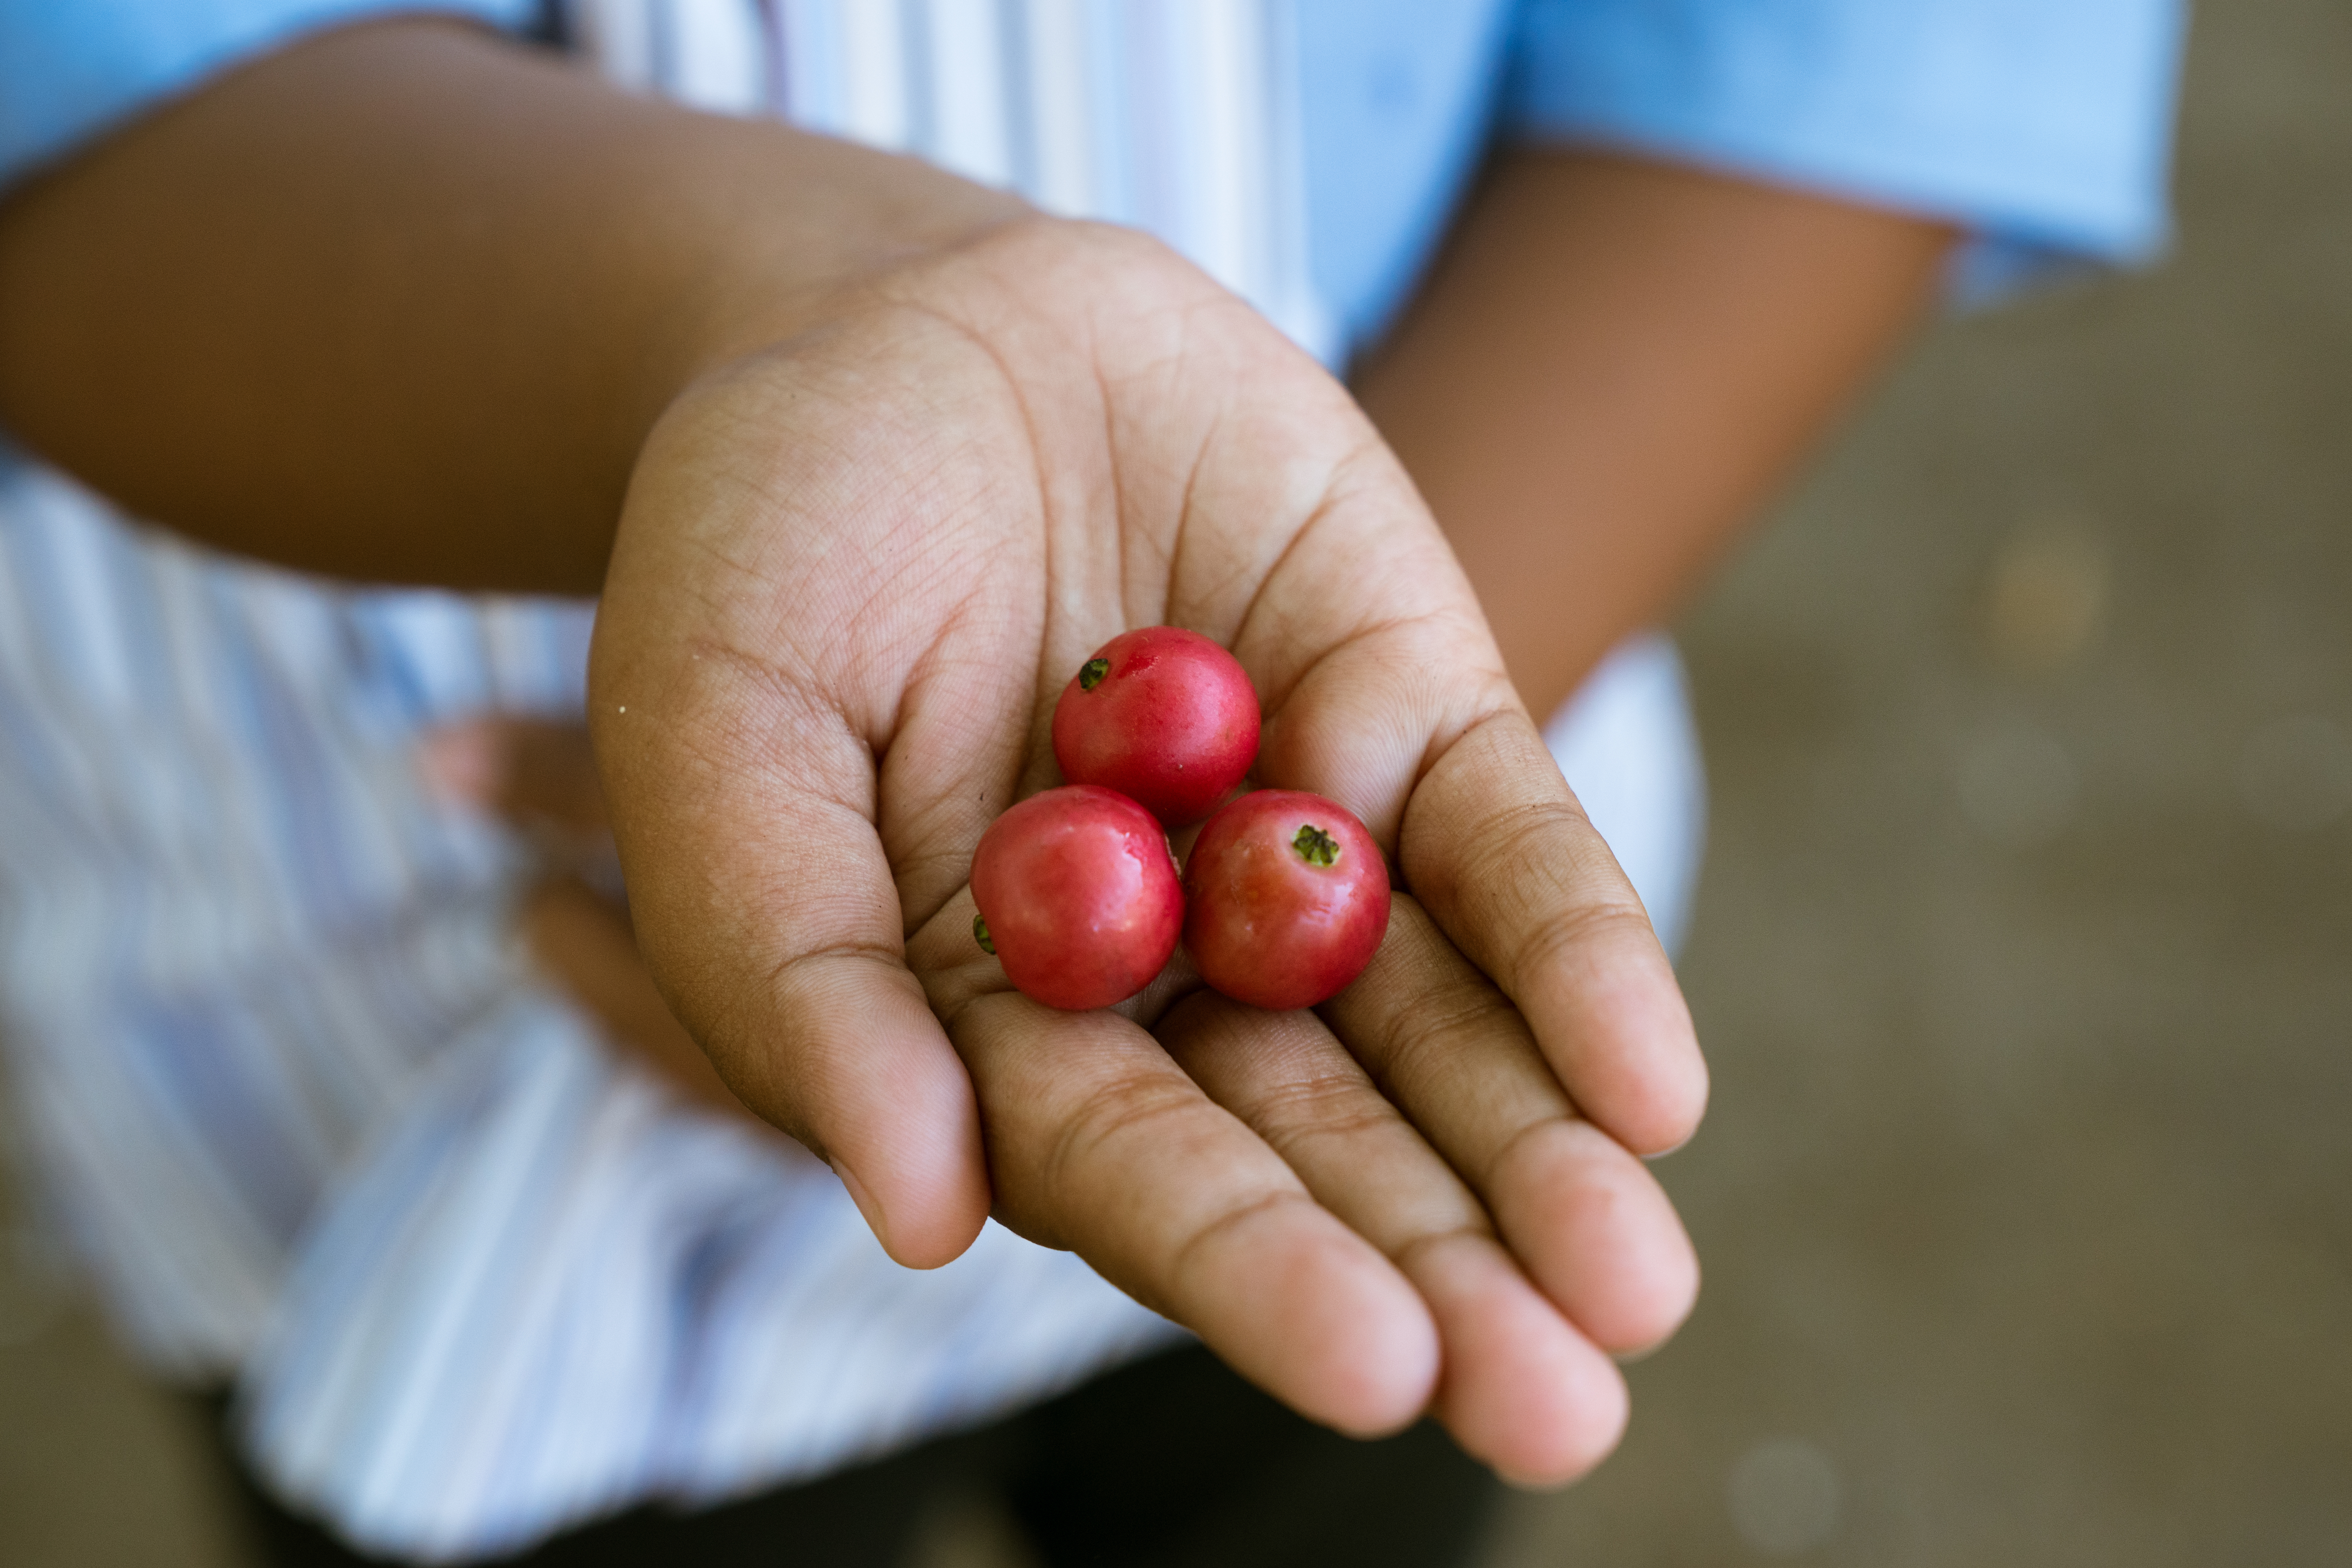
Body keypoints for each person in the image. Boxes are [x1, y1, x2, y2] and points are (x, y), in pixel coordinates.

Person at [0, 2, 2184, 1563]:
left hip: (1414, 858)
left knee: (1325, 1450)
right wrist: (797, 304)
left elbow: (1861, 55)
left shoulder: (1307, 840)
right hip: (390, 1002)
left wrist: (1404, 648)